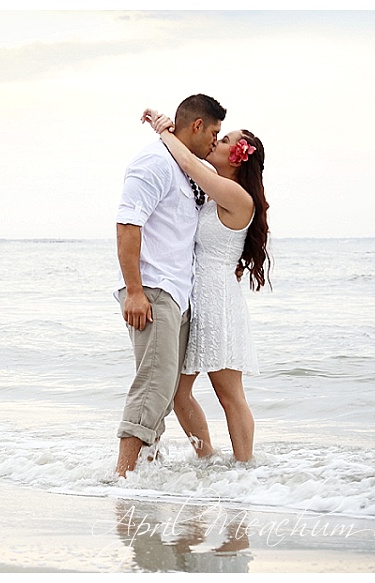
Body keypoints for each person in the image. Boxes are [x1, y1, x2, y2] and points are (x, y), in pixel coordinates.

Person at [141, 107, 270, 463]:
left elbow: (188, 162)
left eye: (226, 140)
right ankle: (207, 460)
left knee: (229, 395)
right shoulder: (213, 193)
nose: (217, 140)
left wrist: (164, 130)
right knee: (178, 393)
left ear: (239, 158)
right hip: (194, 299)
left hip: (218, 304)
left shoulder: (237, 196)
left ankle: (245, 469)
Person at [114, 94, 226, 477]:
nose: (216, 141)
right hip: (153, 290)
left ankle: (146, 469)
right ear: (197, 126)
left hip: (177, 293)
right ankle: (124, 476)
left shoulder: (184, 166)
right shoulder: (154, 163)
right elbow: (128, 224)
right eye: (214, 132)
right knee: (153, 385)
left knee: (165, 390)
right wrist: (134, 290)